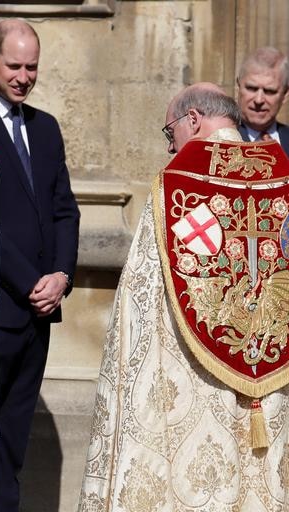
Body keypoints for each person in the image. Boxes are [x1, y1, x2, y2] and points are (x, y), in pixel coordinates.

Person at [80, 84, 289, 510]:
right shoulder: (282, 175)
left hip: (195, 382)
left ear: (193, 119)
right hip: (273, 384)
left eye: (169, 132)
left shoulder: (172, 188)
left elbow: (139, 303)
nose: (171, 146)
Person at [0, 19, 80, 511]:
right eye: (14, 65)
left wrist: (62, 276)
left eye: (31, 66)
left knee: (15, 440)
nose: (23, 76)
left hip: (39, 314)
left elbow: (64, 210)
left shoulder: (45, 127)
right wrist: (32, 281)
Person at [236, 47, 289, 153]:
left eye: (269, 91)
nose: (259, 100)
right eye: (252, 88)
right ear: (238, 87)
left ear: (285, 95)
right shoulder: (219, 141)